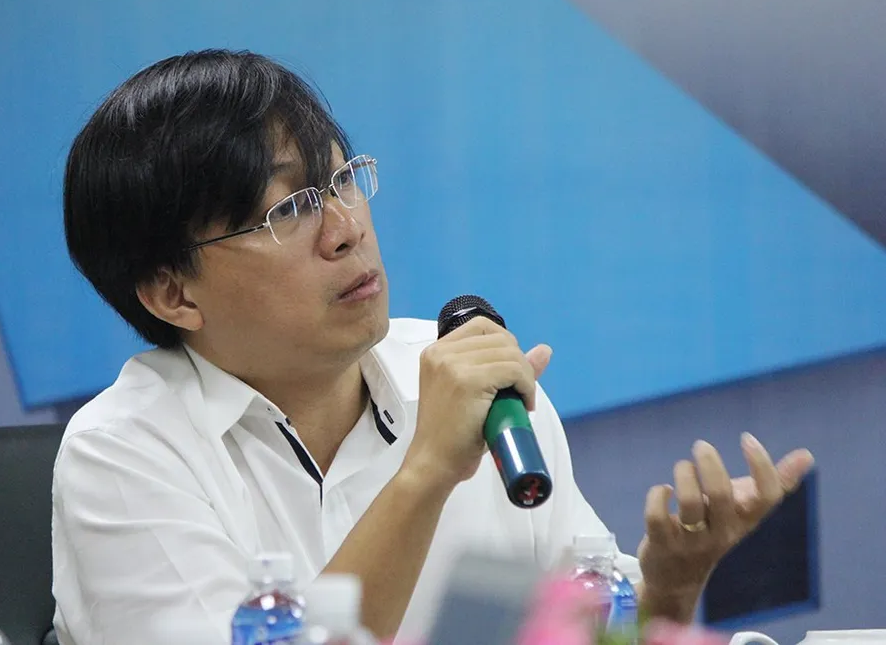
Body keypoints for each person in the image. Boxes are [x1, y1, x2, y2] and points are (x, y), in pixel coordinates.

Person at [53, 49, 814, 645]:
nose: (346, 228)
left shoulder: (468, 379)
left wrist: (670, 586)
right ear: (174, 294)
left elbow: (592, 634)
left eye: (342, 181)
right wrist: (426, 472)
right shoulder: (124, 455)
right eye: (288, 210)